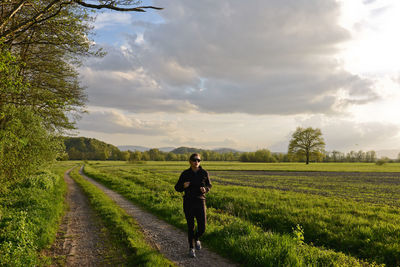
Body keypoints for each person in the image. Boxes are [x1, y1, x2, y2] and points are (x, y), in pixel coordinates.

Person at [174, 153, 212, 258]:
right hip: (188, 202)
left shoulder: (204, 173)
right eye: (194, 160)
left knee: (202, 228)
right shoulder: (185, 173)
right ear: (190, 161)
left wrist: (206, 189)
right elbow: (177, 187)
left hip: (200, 202)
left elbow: (209, 185)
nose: (196, 162)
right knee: (190, 226)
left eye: (198, 160)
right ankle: (191, 248)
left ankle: (197, 238)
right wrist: (183, 186)